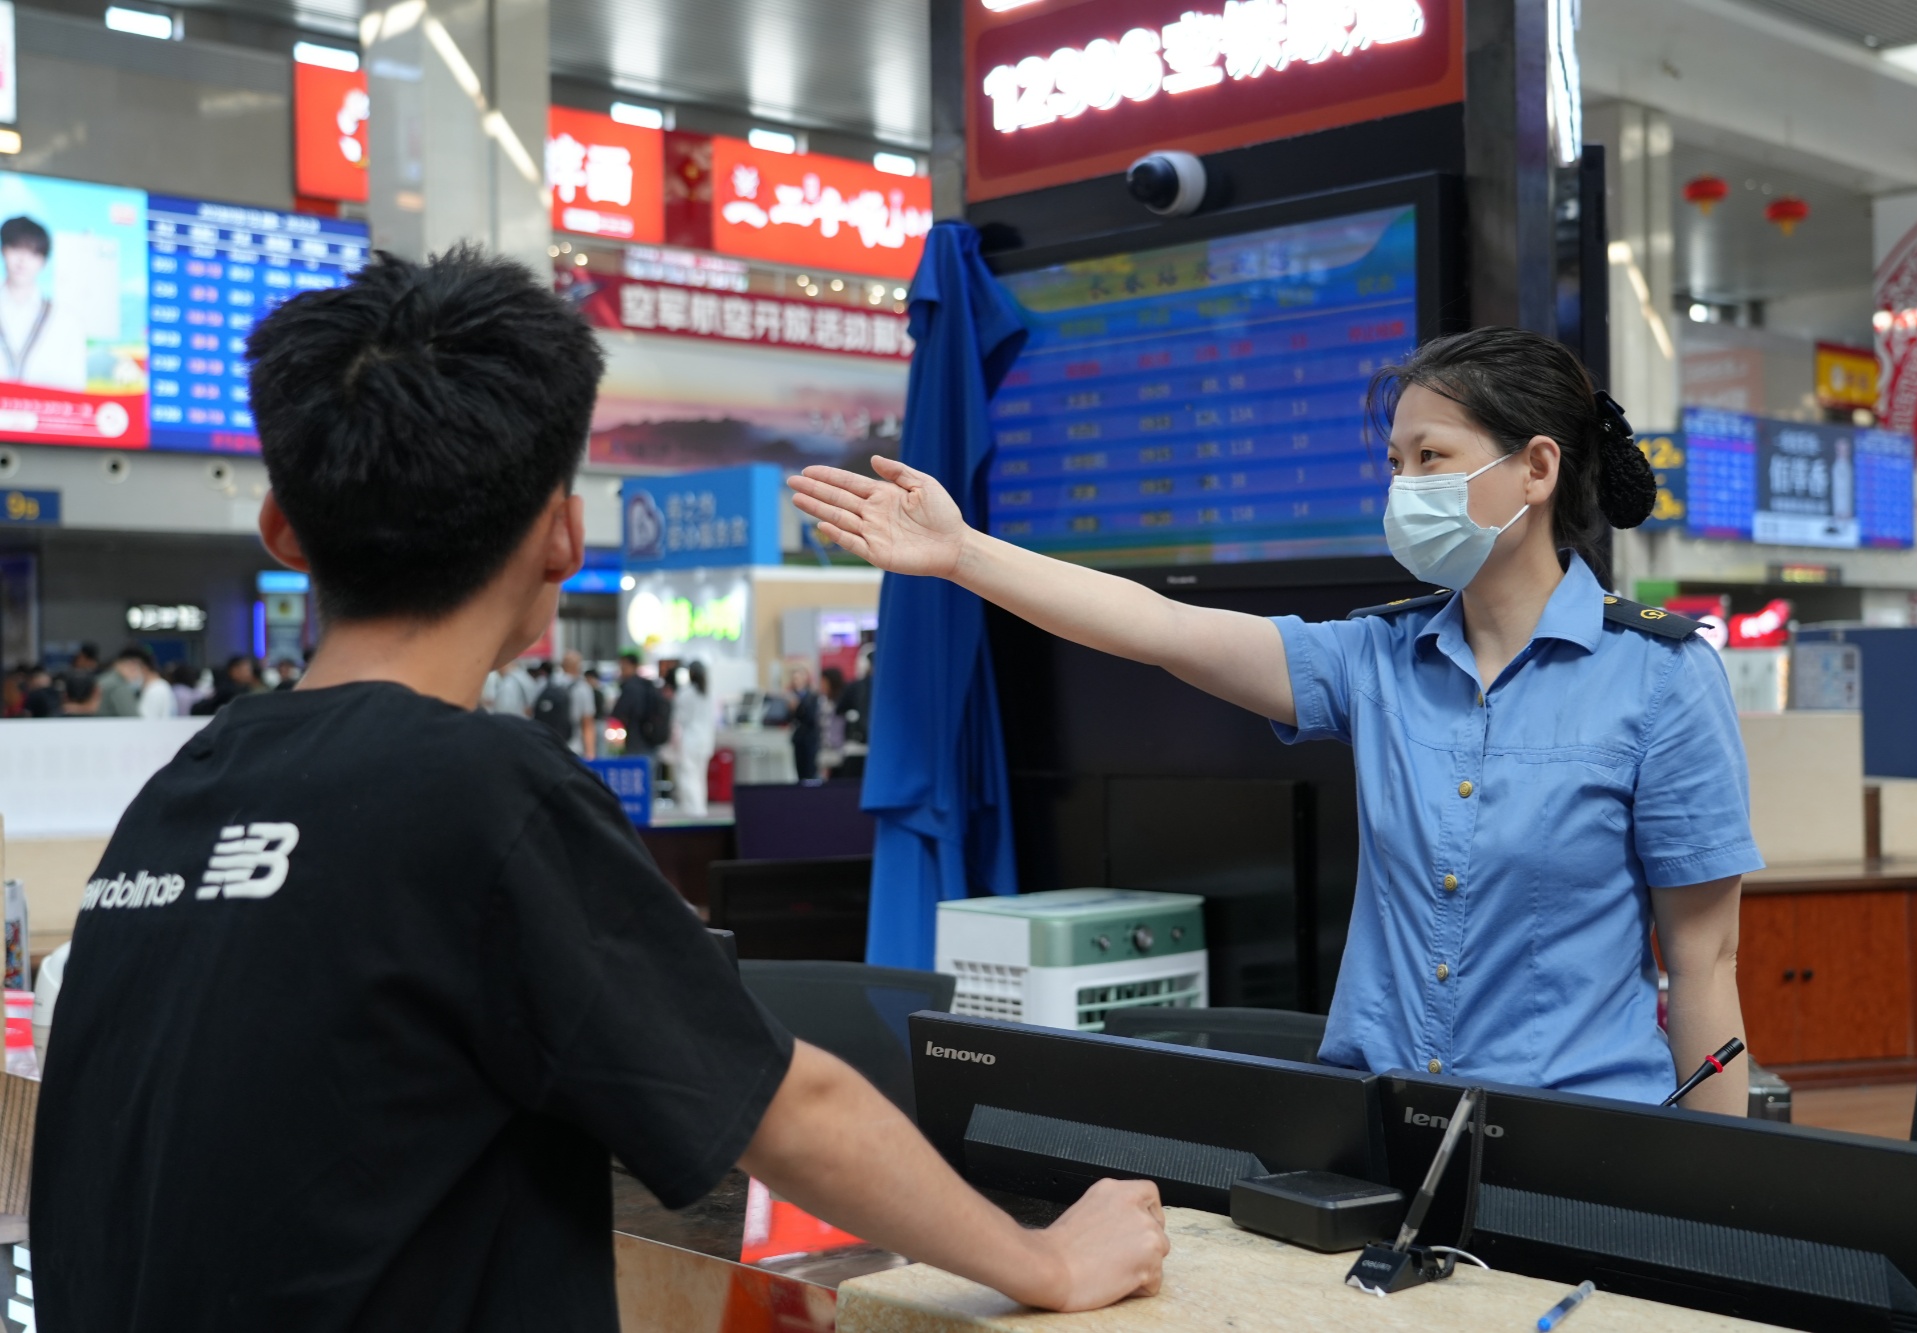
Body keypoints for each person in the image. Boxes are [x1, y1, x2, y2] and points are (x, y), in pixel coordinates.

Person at [30, 248, 1167, 1330]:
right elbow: (787, 1106)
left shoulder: (179, 796)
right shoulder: (479, 793)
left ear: (283, 525)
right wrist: (1049, 1261)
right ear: (563, 534)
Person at [790, 326, 1761, 1115]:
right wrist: (963, 554)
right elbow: (1163, 627)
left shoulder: (1660, 678)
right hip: (1377, 1121)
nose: (1404, 488)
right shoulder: (1375, 659)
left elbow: (1702, 961)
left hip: (1580, 1136)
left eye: (1432, 457)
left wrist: (1712, 1212)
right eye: (1394, 462)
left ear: (1534, 468)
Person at [0, 216, 87, 392]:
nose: (22, 260)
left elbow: (75, 385)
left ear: (44, 262)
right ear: (4, 250)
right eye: (16, 248)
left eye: (33, 253)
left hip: (46, 415)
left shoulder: (66, 320)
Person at [669, 660, 716, 815]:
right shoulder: (708, 694)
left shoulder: (686, 693)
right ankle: (700, 806)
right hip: (705, 740)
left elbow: (680, 718)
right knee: (700, 775)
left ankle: (693, 808)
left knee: (688, 774)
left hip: (690, 739)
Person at [609, 650, 669, 754]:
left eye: (623, 666)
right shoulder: (648, 685)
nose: (621, 670)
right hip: (651, 738)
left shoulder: (631, 687)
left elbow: (619, 712)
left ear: (632, 665)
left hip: (636, 739)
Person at [555, 649, 598, 760]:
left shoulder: (549, 684)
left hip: (551, 747)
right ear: (578, 666)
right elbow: (587, 723)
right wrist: (590, 753)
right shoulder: (583, 688)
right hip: (574, 747)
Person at [114, 644, 176, 719]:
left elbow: (145, 723)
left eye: (131, 667)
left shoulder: (156, 690)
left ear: (143, 667)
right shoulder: (152, 687)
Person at [786, 663, 822, 783]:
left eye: (798, 678)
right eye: (794, 678)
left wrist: (798, 707)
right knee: (799, 770)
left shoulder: (813, 696)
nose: (796, 681)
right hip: (798, 737)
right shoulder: (790, 696)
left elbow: (811, 717)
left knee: (810, 770)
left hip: (810, 738)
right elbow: (788, 718)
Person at [190, 654, 257, 716]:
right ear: (234, 670)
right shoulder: (228, 692)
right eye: (246, 670)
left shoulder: (244, 689)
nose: (249, 674)